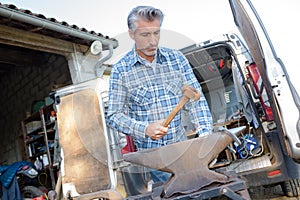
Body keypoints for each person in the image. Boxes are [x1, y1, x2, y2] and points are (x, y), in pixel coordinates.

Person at [106, 5, 213, 183]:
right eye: (145, 35)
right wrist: (144, 129)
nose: (153, 42)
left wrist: (205, 138)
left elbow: (196, 100)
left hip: (182, 151)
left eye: (156, 33)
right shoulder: (120, 71)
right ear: (132, 34)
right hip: (153, 162)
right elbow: (114, 116)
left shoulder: (176, 60)